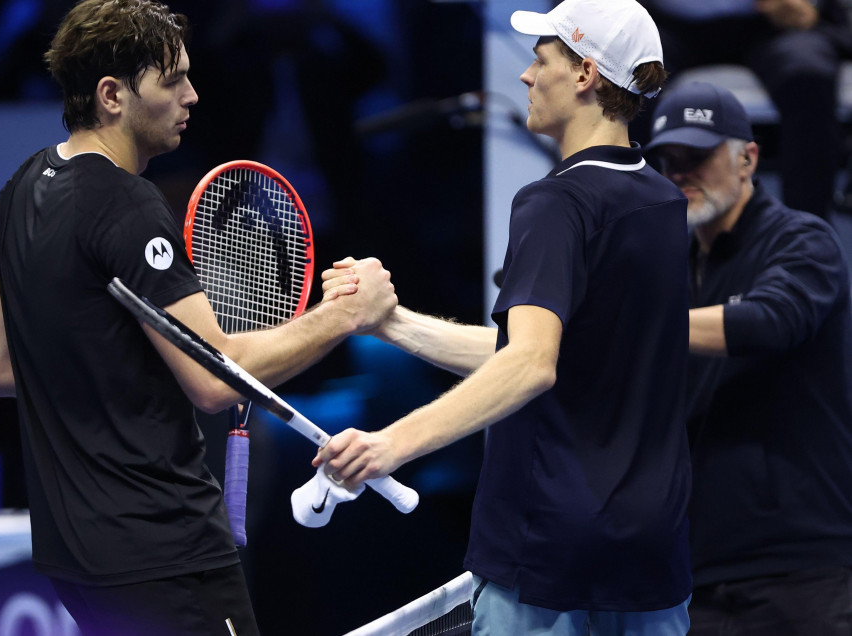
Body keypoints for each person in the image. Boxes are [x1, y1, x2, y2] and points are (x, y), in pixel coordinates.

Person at [0, 1, 397, 634]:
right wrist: (343, 315)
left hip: (73, 555)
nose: (192, 95)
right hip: (163, 551)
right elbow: (214, 380)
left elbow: (4, 367)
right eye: (172, 79)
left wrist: (135, 350)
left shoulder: (20, 187)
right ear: (112, 94)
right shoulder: (128, 204)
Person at [315, 0, 693, 633]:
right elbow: (551, 352)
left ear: (584, 75)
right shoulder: (662, 201)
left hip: (549, 558)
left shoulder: (555, 203)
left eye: (541, 59)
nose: (525, 75)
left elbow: (530, 363)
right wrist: (391, 321)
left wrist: (390, 444)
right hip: (651, 556)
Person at [645, 81, 852, 636]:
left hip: (800, 566)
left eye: (699, 156)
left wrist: (637, 327)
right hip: (694, 570)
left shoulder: (803, 241)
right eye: (668, 160)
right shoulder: (665, 268)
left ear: (747, 158)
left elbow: (772, 319)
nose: (681, 171)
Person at [636, 0, 852, 220]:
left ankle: (808, 236)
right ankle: (638, 229)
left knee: (808, 76)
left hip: (770, 22)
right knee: (628, 78)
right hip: (666, 20)